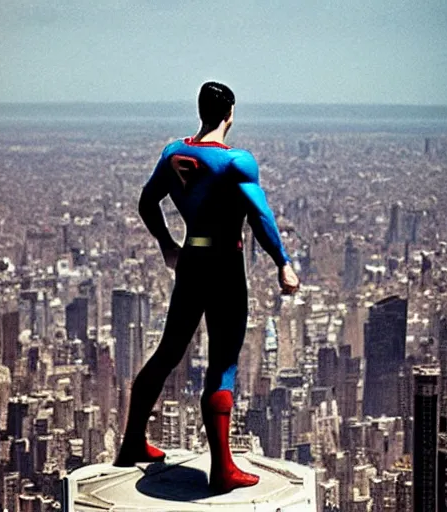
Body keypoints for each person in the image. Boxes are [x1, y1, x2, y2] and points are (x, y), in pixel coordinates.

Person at [114, 81, 300, 493]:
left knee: (168, 351)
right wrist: (283, 264)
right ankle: (222, 469)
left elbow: (148, 202)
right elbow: (261, 217)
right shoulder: (237, 162)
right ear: (230, 112)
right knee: (223, 365)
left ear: (201, 111)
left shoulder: (174, 153)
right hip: (225, 264)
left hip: (191, 260)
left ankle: (131, 443)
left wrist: (168, 245)